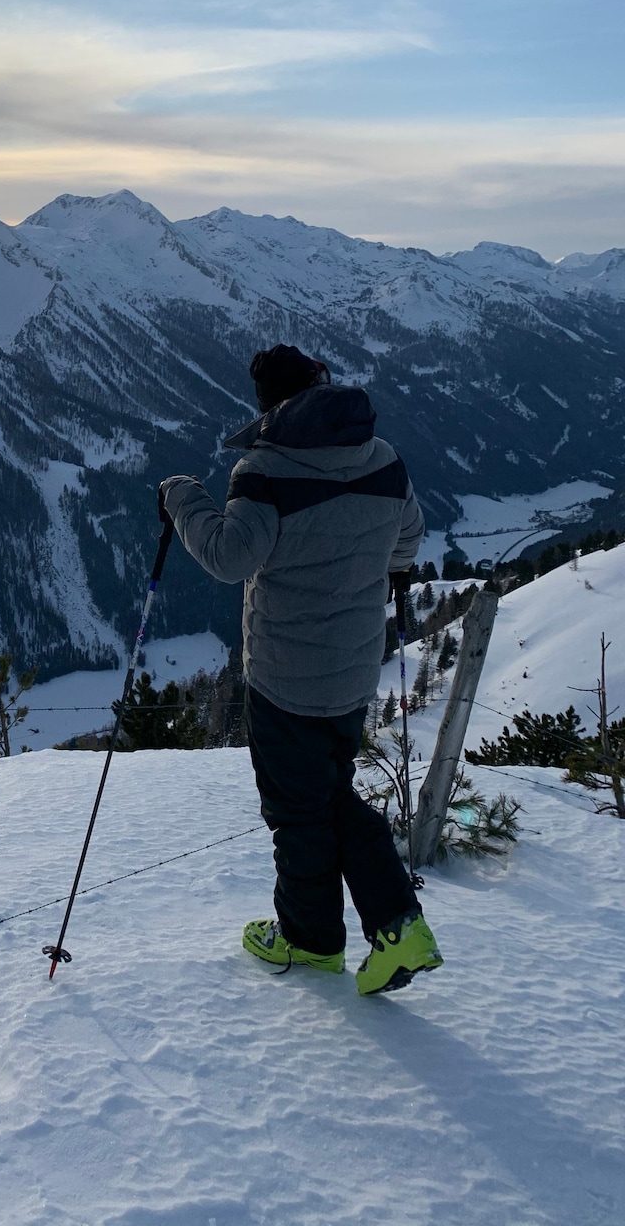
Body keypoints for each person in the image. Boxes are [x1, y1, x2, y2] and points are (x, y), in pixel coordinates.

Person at [158, 344, 443, 996]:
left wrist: (183, 500)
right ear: (322, 385)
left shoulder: (264, 471)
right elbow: (409, 536)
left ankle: (372, 930)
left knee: (305, 809)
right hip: (352, 673)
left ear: (267, 404)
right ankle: (333, 935)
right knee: (321, 797)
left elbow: (232, 556)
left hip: (284, 677)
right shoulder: (384, 457)